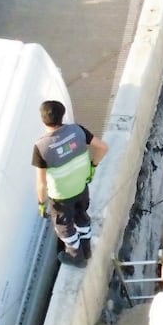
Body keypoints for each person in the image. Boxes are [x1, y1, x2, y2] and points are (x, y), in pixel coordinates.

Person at [32, 100, 109, 267]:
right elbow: (103, 147)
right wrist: (93, 166)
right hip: (81, 187)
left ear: (43, 120)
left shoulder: (41, 147)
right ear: (62, 115)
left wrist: (41, 204)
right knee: (81, 217)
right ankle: (87, 250)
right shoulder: (77, 130)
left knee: (64, 227)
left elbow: (41, 183)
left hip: (61, 196)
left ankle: (76, 256)